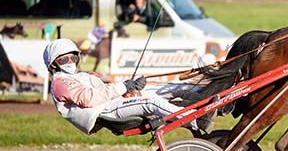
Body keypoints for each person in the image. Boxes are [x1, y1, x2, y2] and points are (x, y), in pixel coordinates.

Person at [43, 38, 210, 135]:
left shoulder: (82, 76)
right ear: (54, 65)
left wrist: (131, 91)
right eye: (64, 60)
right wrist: (124, 86)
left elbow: (108, 93)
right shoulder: (60, 83)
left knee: (167, 88)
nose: (70, 62)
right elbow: (89, 99)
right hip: (102, 113)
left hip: (111, 105)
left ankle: (206, 95)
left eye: (73, 58)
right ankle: (196, 120)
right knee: (151, 102)